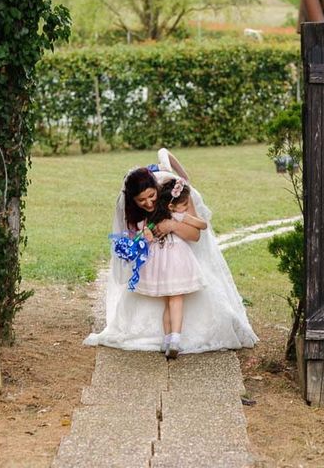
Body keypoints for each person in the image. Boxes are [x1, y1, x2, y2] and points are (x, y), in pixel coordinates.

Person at [84, 148, 258, 354]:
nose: (148, 203)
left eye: (151, 196)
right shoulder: (132, 212)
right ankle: (164, 337)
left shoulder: (173, 192)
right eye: (142, 201)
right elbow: (135, 242)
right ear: (133, 201)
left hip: (179, 259)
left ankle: (176, 337)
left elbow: (195, 235)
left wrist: (171, 225)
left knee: (178, 298)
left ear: (157, 188)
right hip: (155, 265)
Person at [135, 177, 208, 359]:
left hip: (161, 262)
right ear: (172, 205)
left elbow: (146, 235)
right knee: (176, 300)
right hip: (177, 260)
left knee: (168, 302)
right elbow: (203, 224)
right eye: (183, 204)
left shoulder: (158, 217)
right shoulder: (179, 215)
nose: (186, 206)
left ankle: (166, 341)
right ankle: (175, 339)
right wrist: (187, 219)